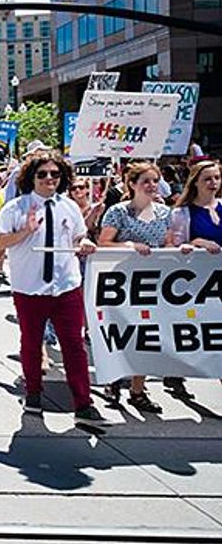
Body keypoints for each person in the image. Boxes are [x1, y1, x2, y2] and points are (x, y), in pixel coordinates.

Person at [0, 150, 106, 427]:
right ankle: (32, 393)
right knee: (31, 343)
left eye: (55, 174)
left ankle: (83, 403)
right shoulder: (16, 208)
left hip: (66, 286)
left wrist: (85, 242)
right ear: (32, 177)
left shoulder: (68, 206)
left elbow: (79, 234)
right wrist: (26, 232)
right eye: (43, 174)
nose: (49, 179)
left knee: (74, 346)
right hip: (30, 287)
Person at [97, 162, 171, 413]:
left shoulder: (164, 213)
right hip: (123, 282)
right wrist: (129, 246)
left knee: (147, 337)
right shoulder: (118, 212)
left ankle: (138, 390)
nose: (151, 186)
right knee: (123, 334)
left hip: (154, 282)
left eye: (155, 181)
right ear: (132, 184)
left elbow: (168, 244)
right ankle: (114, 378)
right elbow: (103, 243)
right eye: (146, 181)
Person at [167, 159, 222, 397]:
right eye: (207, 179)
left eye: (217, 178)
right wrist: (196, 243)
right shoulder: (182, 213)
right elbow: (174, 246)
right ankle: (176, 370)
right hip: (197, 284)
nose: (213, 183)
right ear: (195, 182)